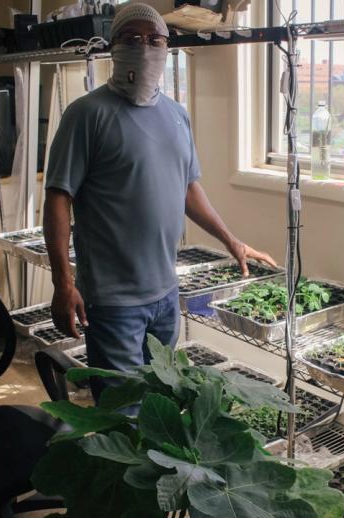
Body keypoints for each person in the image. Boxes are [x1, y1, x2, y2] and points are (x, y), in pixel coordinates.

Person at [43, 2, 275, 400]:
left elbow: (187, 189)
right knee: (122, 415)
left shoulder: (175, 116)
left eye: (155, 40)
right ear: (113, 47)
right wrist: (63, 282)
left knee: (159, 409)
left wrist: (231, 241)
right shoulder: (85, 115)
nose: (145, 47)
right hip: (113, 301)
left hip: (165, 295)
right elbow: (58, 199)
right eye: (132, 39)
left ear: (167, 49)